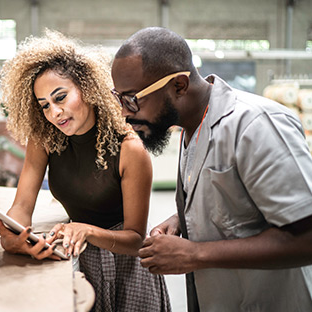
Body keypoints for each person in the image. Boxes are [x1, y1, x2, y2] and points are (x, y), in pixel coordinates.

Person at [111, 26, 312, 311]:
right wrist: (183, 218)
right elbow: (236, 199)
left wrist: (196, 253)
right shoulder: (191, 128)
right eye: (119, 99)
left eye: (132, 99)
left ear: (179, 85)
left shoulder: (255, 125)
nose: (124, 112)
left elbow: (306, 239)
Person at [0, 29, 171, 312]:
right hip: (77, 257)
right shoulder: (45, 140)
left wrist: (87, 231)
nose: (54, 113)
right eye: (44, 106)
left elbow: (136, 240)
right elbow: (22, 206)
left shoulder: (129, 150)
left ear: (87, 89)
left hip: (126, 268)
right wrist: (12, 237)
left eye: (60, 97)